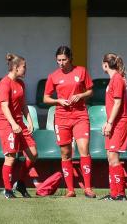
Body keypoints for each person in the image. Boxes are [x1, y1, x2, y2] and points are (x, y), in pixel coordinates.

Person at [43, 46, 96, 198]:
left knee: (83, 148)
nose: (61, 63)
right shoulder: (53, 76)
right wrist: (57, 100)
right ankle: (70, 190)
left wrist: (81, 95)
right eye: (58, 60)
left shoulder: (81, 71)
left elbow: (91, 91)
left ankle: (87, 188)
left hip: (80, 115)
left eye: (64, 60)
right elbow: (45, 98)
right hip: (61, 117)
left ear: (70, 59)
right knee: (65, 153)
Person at [0, 53, 37, 199]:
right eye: (24, 67)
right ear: (15, 67)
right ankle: (7, 189)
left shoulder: (21, 84)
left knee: (33, 154)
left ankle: (20, 183)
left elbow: (23, 105)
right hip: (7, 124)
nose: (25, 69)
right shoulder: (4, 84)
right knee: (11, 158)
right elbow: (5, 107)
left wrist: (30, 121)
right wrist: (13, 124)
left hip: (20, 124)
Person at [100, 53, 127, 201]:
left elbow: (118, 103)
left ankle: (120, 193)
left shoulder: (117, 79)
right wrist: (107, 122)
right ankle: (114, 193)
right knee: (110, 157)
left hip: (119, 123)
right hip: (113, 122)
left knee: (113, 156)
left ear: (106, 64)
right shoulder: (114, 79)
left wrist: (110, 123)